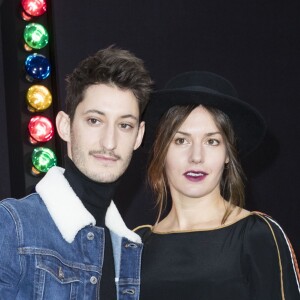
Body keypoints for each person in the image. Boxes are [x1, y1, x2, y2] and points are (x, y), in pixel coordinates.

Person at [0, 46, 152, 299]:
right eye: (94, 120)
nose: (110, 142)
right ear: (64, 125)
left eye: (125, 125)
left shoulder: (130, 248)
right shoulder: (13, 226)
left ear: (139, 136)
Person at [135, 71, 300, 299]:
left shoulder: (257, 234)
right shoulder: (136, 244)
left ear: (227, 155)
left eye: (212, 141)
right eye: (181, 140)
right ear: (161, 150)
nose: (196, 156)